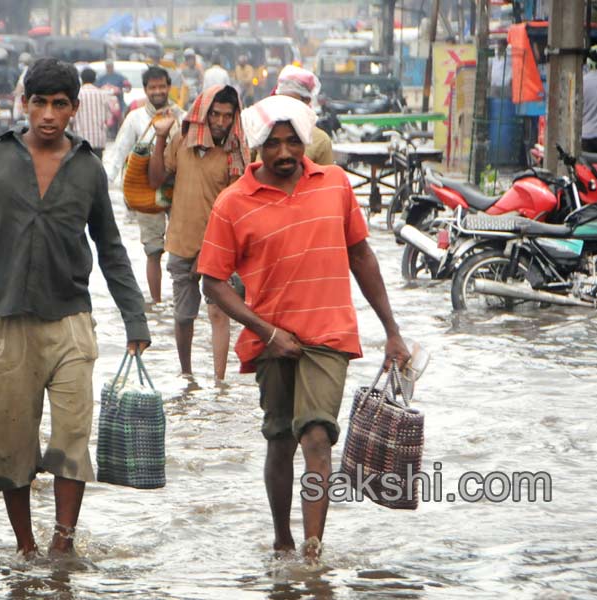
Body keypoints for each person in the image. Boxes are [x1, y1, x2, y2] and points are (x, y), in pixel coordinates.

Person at [0, 57, 151, 559]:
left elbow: (111, 248)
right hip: (11, 324)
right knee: (12, 444)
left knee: (73, 437)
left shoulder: (89, 168)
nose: (47, 115)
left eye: (58, 105)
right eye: (38, 103)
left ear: (73, 108)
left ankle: (63, 543)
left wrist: (135, 318)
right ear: (24, 104)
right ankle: (26, 549)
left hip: (72, 323)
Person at [198, 95, 410, 564]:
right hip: (271, 341)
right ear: (257, 147)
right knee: (279, 441)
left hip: (328, 335)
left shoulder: (334, 184)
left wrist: (392, 331)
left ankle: (313, 552)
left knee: (317, 436)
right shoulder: (233, 203)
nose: (284, 152)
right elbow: (212, 280)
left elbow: (361, 256)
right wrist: (267, 331)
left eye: (293, 141)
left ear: (306, 141)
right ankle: (282, 540)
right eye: (273, 144)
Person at [147, 85, 249, 383]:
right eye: (215, 114)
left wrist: (209, 252)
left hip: (219, 248)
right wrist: (161, 136)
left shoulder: (235, 152)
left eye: (226, 116)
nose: (220, 122)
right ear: (204, 114)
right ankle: (187, 376)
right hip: (180, 241)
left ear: (234, 118)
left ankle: (219, 381)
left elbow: (235, 211)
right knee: (183, 317)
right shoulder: (181, 140)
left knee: (219, 314)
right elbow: (156, 179)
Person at [104, 65, 185, 305]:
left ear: (169, 87)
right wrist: (104, 186)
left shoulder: (181, 116)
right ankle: (158, 303)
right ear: (146, 90)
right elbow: (119, 152)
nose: (158, 91)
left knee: (182, 248)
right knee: (153, 249)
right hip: (145, 191)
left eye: (162, 86)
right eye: (153, 87)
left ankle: (179, 300)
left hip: (177, 189)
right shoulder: (135, 118)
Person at [272, 65, 333, 165]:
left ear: (306, 101)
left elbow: (327, 178)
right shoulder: (263, 134)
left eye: (290, 101)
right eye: (280, 100)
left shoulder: (320, 141)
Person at [71, 68, 115, 159]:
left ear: (81, 79)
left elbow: (71, 119)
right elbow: (108, 117)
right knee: (96, 168)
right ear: (95, 79)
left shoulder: (76, 95)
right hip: (98, 139)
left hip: (80, 140)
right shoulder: (103, 94)